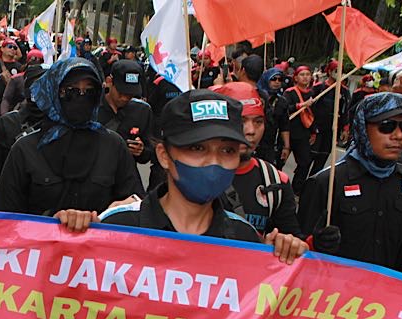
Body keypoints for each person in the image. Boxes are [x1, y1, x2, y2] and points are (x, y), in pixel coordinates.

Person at [100, 90, 306, 264]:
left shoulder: (245, 239)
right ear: (164, 156)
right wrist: (73, 230)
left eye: (227, 151)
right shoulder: (115, 226)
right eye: (198, 148)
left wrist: (281, 259)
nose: (213, 162)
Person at [0, 58, 143, 216]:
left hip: (98, 240)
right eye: (71, 91)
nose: (80, 98)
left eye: (89, 92)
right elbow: (4, 219)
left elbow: (136, 206)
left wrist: (117, 211)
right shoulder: (26, 149)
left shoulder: (114, 146)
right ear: (54, 92)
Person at [298, 92, 402, 273]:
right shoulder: (327, 182)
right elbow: (297, 251)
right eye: (387, 126)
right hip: (335, 296)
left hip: (389, 298)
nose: (398, 135)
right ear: (363, 128)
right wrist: (315, 244)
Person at [212, 82, 304, 237]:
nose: (251, 131)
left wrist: (313, 244)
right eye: (241, 121)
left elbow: (292, 243)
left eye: (258, 122)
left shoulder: (275, 181)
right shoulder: (194, 176)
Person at [0, 65, 46, 210]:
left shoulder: (61, 127)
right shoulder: (7, 124)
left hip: (45, 215)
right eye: (36, 86)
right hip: (8, 206)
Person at [98, 59, 154, 166]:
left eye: (130, 94)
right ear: (109, 82)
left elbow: (149, 151)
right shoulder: (92, 108)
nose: (124, 98)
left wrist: (141, 150)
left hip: (126, 176)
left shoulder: (142, 111)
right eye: (121, 92)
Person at [309, 60, 351, 177]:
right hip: (316, 128)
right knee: (308, 158)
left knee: (322, 158)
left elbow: (345, 111)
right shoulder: (319, 87)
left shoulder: (344, 91)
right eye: (336, 71)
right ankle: (298, 187)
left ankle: (313, 184)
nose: (339, 73)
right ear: (330, 71)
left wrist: (345, 128)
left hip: (332, 130)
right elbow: (309, 108)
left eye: (341, 71)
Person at [283, 65, 317, 195]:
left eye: (308, 74)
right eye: (302, 75)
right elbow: (285, 109)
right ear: (296, 77)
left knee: (304, 163)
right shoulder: (289, 92)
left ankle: (295, 190)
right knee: (280, 161)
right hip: (289, 132)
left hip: (303, 133)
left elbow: (314, 115)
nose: (305, 77)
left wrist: (314, 131)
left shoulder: (312, 93)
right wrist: (301, 105)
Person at [256, 66, 290, 166]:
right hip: (255, 143)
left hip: (270, 145)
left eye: (280, 79)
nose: (277, 82)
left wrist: (286, 147)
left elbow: (284, 125)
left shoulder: (282, 101)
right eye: (273, 79)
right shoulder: (256, 96)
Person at [0, 49, 43, 115]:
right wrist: (4, 116)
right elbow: (6, 99)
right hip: (20, 115)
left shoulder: (45, 79)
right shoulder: (16, 79)